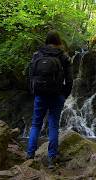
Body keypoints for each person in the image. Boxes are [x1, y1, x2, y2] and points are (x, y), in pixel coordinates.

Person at [26, 30, 73, 169]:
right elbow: (69, 79)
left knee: (36, 124)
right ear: (58, 42)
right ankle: (52, 158)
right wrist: (65, 94)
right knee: (53, 125)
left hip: (40, 94)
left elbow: (30, 75)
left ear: (46, 41)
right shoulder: (63, 56)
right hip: (57, 95)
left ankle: (29, 155)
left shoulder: (37, 54)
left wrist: (33, 90)